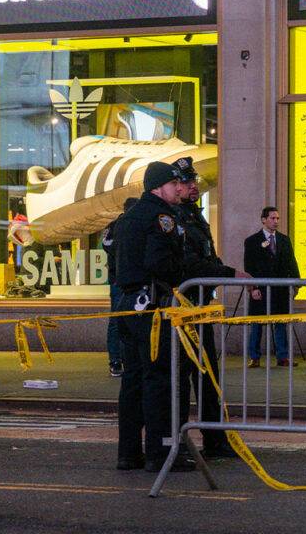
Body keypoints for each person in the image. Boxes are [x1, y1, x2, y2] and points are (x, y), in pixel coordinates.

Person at [114, 161, 194, 472]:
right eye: (174, 183)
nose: (179, 188)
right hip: (153, 308)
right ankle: (160, 453)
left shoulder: (130, 216)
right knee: (159, 378)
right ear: (159, 187)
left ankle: (128, 452)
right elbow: (161, 262)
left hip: (128, 305)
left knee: (132, 380)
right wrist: (180, 273)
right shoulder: (161, 217)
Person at [173, 157, 247, 459]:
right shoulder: (175, 219)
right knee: (181, 378)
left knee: (208, 376)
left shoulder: (194, 216)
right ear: (174, 186)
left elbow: (207, 256)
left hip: (200, 307)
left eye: (195, 182)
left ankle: (215, 439)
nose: (194, 187)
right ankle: (178, 441)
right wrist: (230, 274)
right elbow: (189, 263)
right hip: (182, 309)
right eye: (187, 183)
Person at [244, 207, 300, 368]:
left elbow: (291, 262)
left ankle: (282, 357)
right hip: (260, 288)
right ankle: (254, 357)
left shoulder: (284, 239)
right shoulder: (252, 241)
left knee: (281, 322)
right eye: (272, 218)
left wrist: (296, 284)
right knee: (256, 323)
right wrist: (252, 288)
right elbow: (249, 266)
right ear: (263, 219)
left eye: (277, 218)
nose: (276, 221)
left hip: (280, 289)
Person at [100, 198, 137, 378]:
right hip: (121, 281)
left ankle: (117, 360)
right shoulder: (121, 226)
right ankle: (117, 359)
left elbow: (106, 245)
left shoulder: (114, 226)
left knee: (117, 321)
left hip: (118, 280)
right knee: (120, 321)